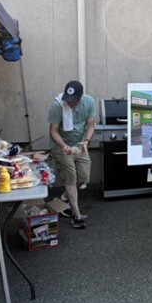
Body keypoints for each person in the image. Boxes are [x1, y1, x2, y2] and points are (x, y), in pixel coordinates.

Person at [48, 80, 95, 229]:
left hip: (80, 144)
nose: (70, 103)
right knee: (71, 178)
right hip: (61, 146)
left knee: (83, 177)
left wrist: (86, 141)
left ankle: (63, 198)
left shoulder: (89, 102)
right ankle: (76, 214)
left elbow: (90, 126)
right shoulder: (57, 105)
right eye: (68, 100)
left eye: (74, 100)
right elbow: (53, 131)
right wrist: (63, 146)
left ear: (81, 97)